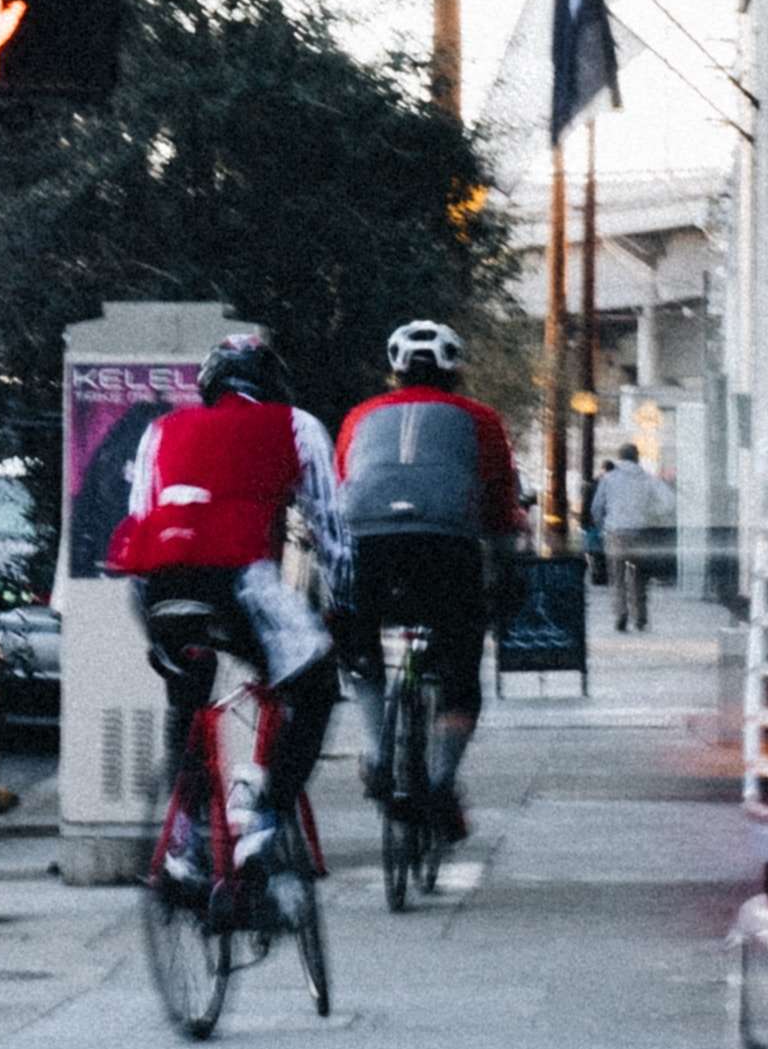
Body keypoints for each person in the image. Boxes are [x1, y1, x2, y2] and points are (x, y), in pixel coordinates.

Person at [106, 319, 345, 892]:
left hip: (156, 585)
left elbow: (141, 513)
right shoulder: (296, 425)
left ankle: (185, 841)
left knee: (189, 694)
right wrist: (346, 609)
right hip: (237, 577)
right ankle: (263, 819)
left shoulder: (161, 430)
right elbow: (334, 533)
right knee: (314, 686)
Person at [332, 315, 526, 843]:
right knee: (461, 667)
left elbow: (343, 481)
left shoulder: (360, 416)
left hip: (367, 544)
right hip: (445, 547)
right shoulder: (480, 419)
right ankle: (441, 783)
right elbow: (500, 506)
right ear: (455, 371)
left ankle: (375, 752)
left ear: (394, 371)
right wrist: (506, 570)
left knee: (360, 646)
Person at [595, 436, 679, 635]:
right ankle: (640, 617)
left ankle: (621, 614)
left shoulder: (608, 479)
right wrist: (652, 514)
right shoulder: (647, 478)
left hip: (615, 532)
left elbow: (597, 507)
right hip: (641, 532)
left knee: (617, 576)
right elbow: (669, 502)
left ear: (619, 458)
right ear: (637, 458)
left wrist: (602, 525)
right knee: (640, 577)